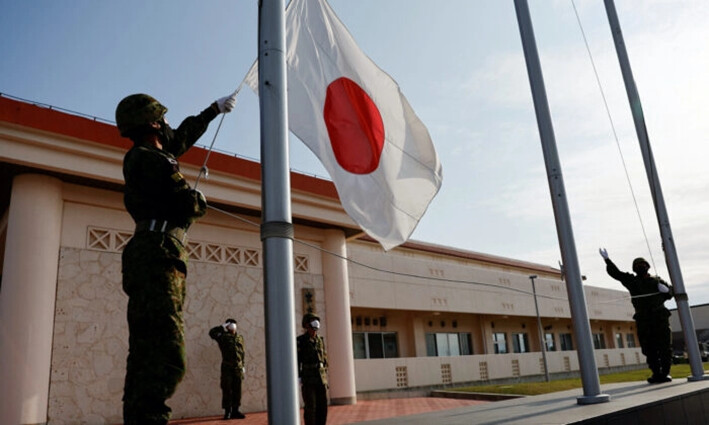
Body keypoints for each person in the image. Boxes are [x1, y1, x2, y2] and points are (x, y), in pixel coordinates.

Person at [116, 92, 236, 425]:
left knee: (145, 351)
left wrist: (212, 111)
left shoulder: (147, 155)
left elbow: (181, 136)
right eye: (164, 119)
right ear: (153, 123)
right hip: (159, 254)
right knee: (166, 354)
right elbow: (188, 204)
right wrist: (198, 199)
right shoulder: (153, 160)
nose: (169, 124)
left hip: (151, 253)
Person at [599, 248, 674, 383]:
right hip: (644, 319)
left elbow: (669, 295)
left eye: (643, 265)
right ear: (634, 269)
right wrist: (607, 260)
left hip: (659, 317)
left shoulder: (657, 280)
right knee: (648, 347)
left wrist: (667, 290)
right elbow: (617, 274)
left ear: (647, 267)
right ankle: (656, 373)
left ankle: (665, 373)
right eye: (638, 266)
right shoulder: (632, 281)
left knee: (664, 346)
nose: (641, 267)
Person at [209, 318, 247, 420]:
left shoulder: (240, 338)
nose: (232, 326)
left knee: (237, 390)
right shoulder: (223, 337)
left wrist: (243, 365)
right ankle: (228, 411)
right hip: (227, 367)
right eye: (230, 324)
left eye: (234, 324)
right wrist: (222, 327)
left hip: (238, 367)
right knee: (227, 389)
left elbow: (242, 353)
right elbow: (212, 333)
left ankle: (235, 410)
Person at [297, 313, 329, 425]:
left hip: (321, 377)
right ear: (306, 325)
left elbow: (324, 358)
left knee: (323, 405)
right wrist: (298, 376)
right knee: (311, 407)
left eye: (316, 320)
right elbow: (297, 360)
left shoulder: (320, 340)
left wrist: (325, 372)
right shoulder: (301, 341)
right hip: (308, 378)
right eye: (312, 321)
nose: (315, 322)